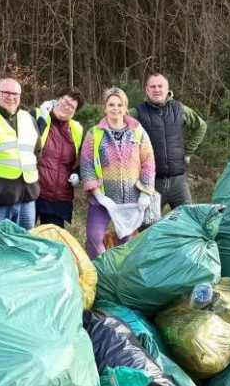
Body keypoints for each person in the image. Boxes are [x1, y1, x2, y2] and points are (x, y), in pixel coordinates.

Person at [80, 87, 156, 258]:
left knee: (125, 241)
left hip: (130, 200)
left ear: (125, 107)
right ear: (105, 108)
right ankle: (100, 273)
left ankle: (118, 277)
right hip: (102, 200)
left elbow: (148, 163)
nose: (116, 108)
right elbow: (86, 165)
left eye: (119, 104)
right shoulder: (94, 134)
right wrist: (98, 195)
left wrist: (145, 192)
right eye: (111, 104)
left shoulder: (138, 132)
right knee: (94, 237)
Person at [131, 73, 207, 210]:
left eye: (160, 86)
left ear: (167, 89)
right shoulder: (137, 112)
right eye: (152, 86)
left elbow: (201, 127)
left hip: (178, 181)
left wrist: (188, 152)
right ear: (146, 90)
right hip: (151, 183)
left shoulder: (180, 109)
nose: (157, 89)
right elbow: (116, 120)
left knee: (187, 223)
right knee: (147, 227)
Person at [0, 78, 42, 229]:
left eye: (15, 93)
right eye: (6, 92)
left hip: (27, 200)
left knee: (24, 246)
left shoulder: (29, 119)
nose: (11, 97)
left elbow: (37, 153)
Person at [33, 87, 86, 228]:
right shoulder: (37, 115)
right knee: (24, 238)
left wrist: (77, 174)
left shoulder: (77, 129)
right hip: (32, 192)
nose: (66, 107)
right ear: (57, 99)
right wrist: (42, 119)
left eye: (71, 106)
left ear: (74, 112)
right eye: (65, 101)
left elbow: (84, 158)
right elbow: (27, 145)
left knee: (53, 243)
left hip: (58, 198)